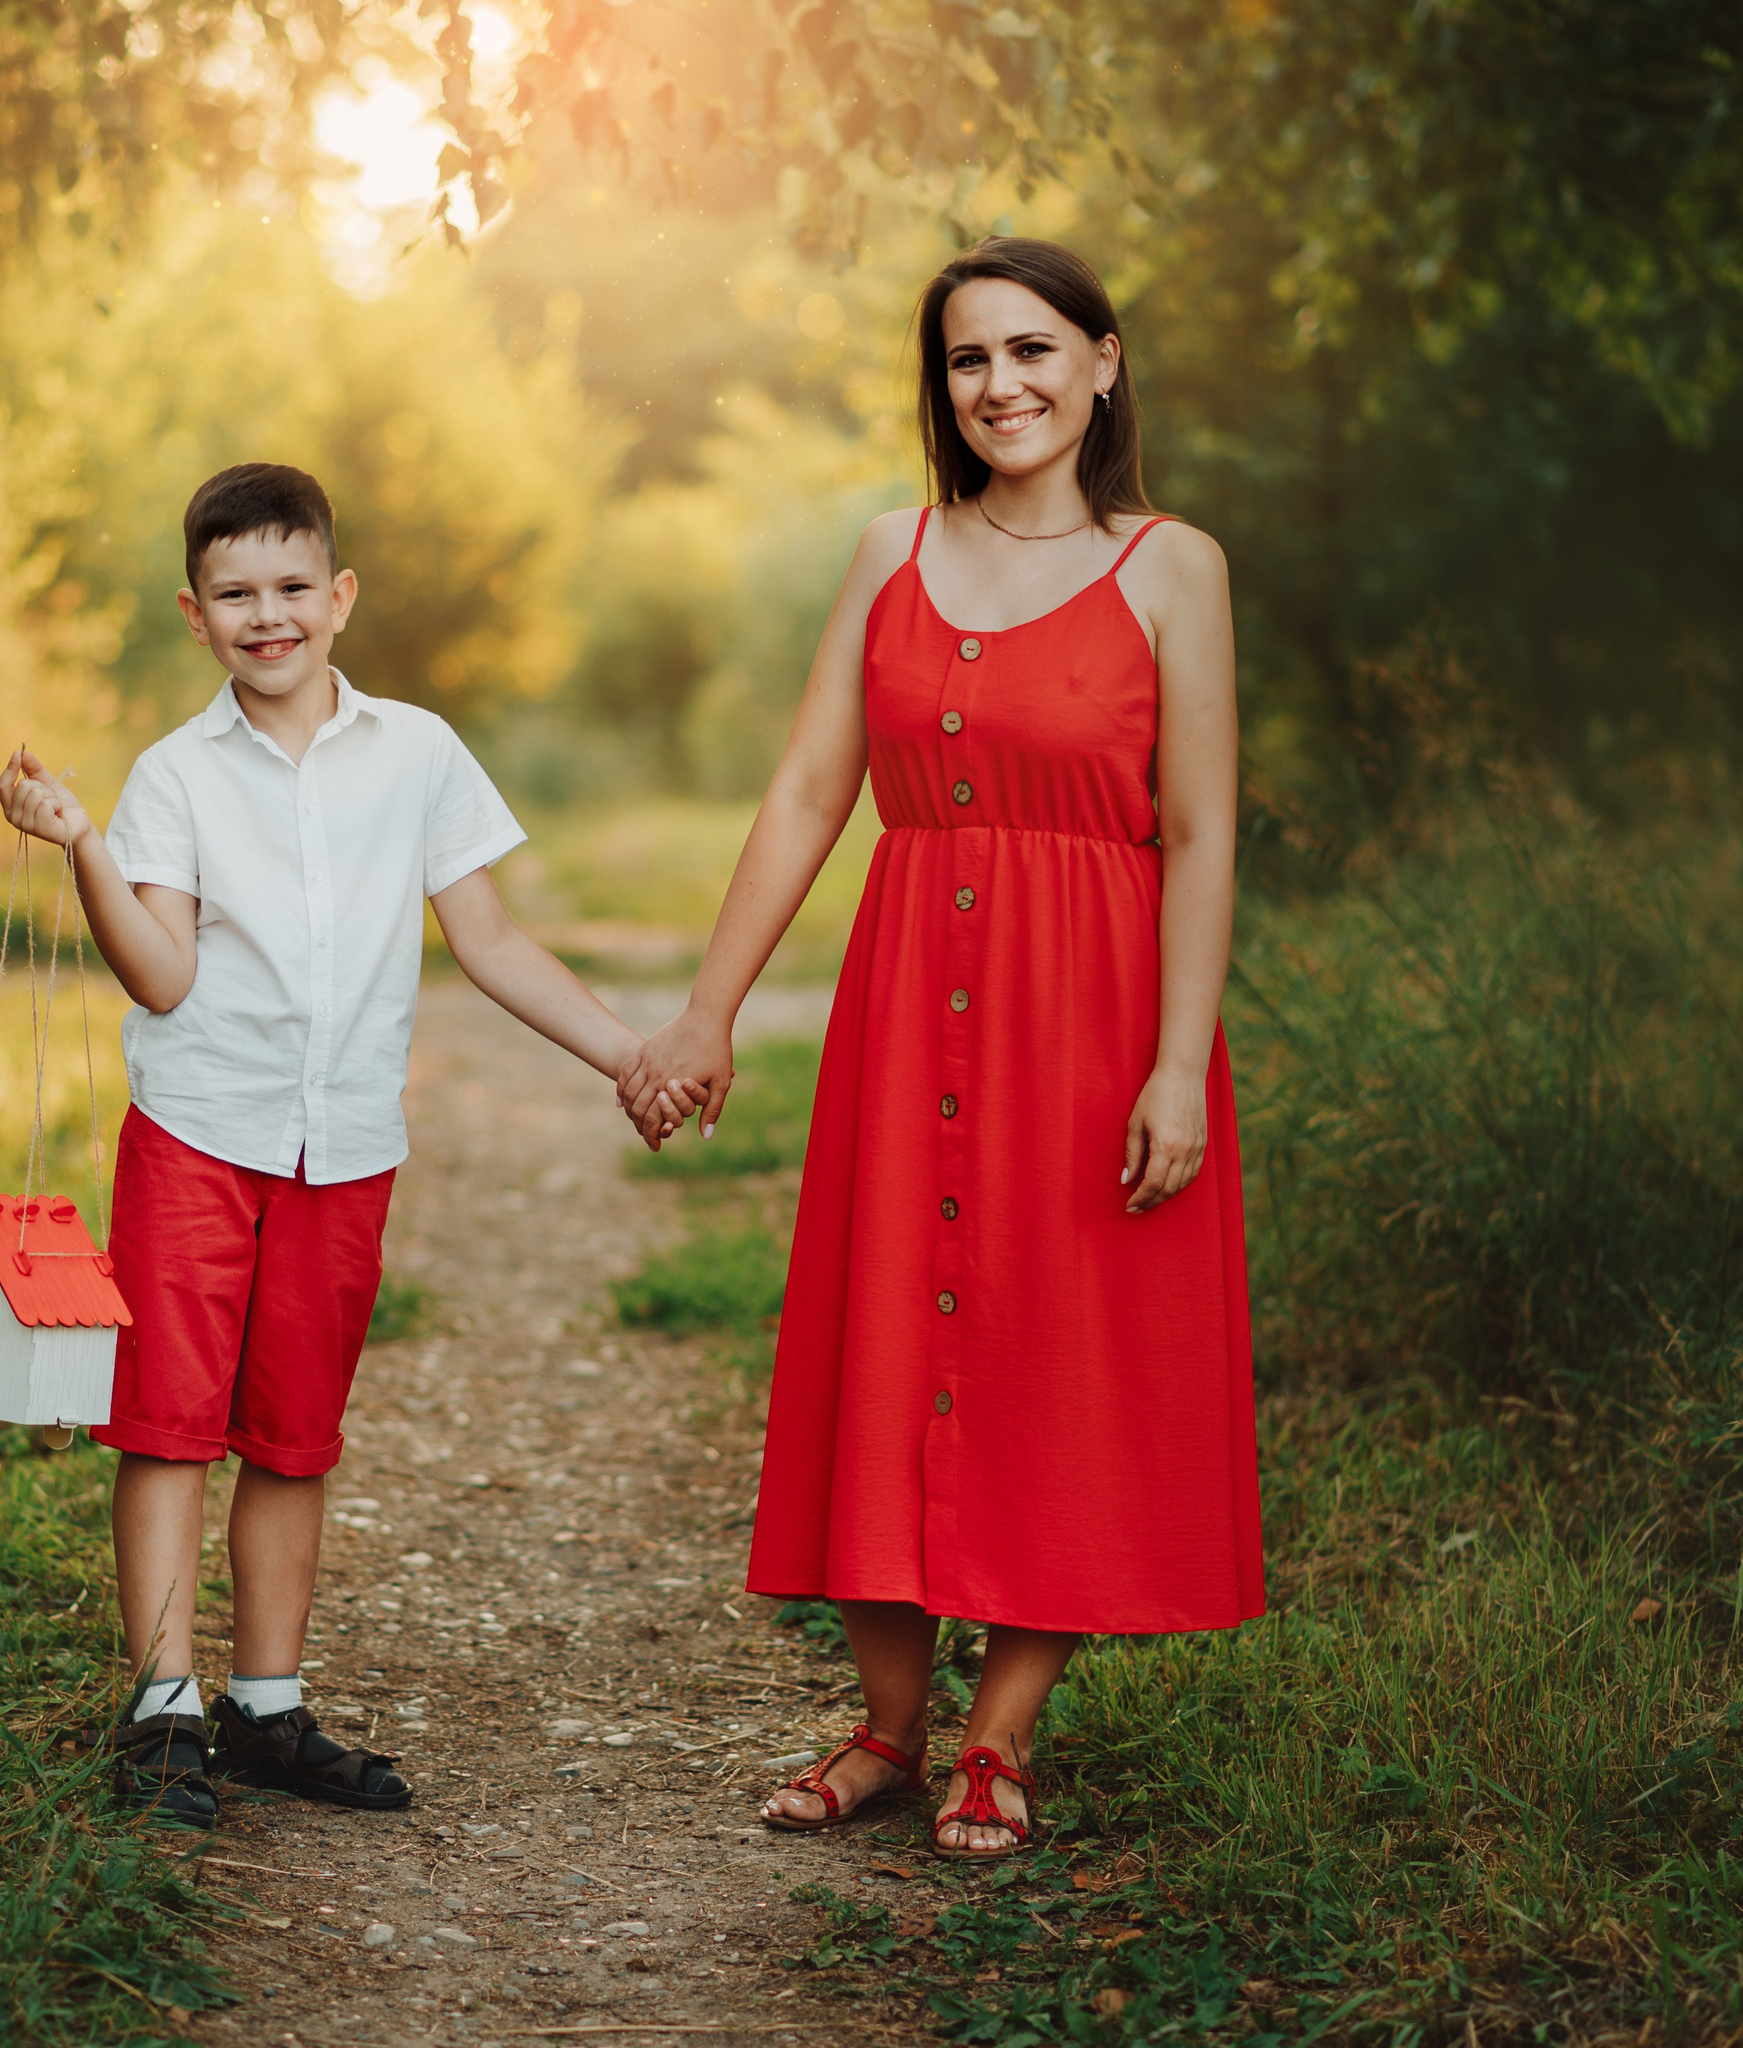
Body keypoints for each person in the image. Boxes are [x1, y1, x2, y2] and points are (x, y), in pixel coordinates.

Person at [620, 239, 1264, 1861]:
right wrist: (706, 1007)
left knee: (1063, 1350)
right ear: (945, 386)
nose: (1005, 386)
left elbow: (1201, 832)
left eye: (1037, 351)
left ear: (1105, 363)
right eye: (972, 360)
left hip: (1092, 1017)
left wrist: (1178, 1061)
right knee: (888, 1339)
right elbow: (805, 794)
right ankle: (889, 1730)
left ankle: (1001, 1741)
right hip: (912, 1008)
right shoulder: (889, 550)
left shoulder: (1174, 567)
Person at [0, 462, 664, 1827]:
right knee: (171, 1428)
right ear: (196, 614)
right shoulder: (174, 777)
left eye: (292, 587)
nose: (268, 615)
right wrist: (83, 849)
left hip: (343, 1146)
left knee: (296, 1437)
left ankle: (267, 1708)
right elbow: (161, 977)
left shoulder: (417, 752)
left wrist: (629, 1055)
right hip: (198, 1131)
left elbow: (486, 939)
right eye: (236, 594)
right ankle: (162, 1713)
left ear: (340, 595)